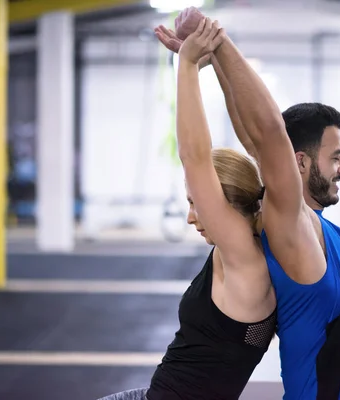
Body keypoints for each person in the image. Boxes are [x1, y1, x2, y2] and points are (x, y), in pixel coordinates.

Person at [170, 7, 340, 400]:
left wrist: (214, 57)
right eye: (336, 156)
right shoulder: (291, 230)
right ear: (299, 162)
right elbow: (268, 133)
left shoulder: (325, 231)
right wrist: (215, 38)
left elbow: (256, 138)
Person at [97, 17, 277, 400]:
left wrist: (188, 66)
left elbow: (195, 156)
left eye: (197, 202)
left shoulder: (245, 260)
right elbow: (252, 137)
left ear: (227, 203)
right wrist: (216, 62)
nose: (192, 215)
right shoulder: (246, 250)